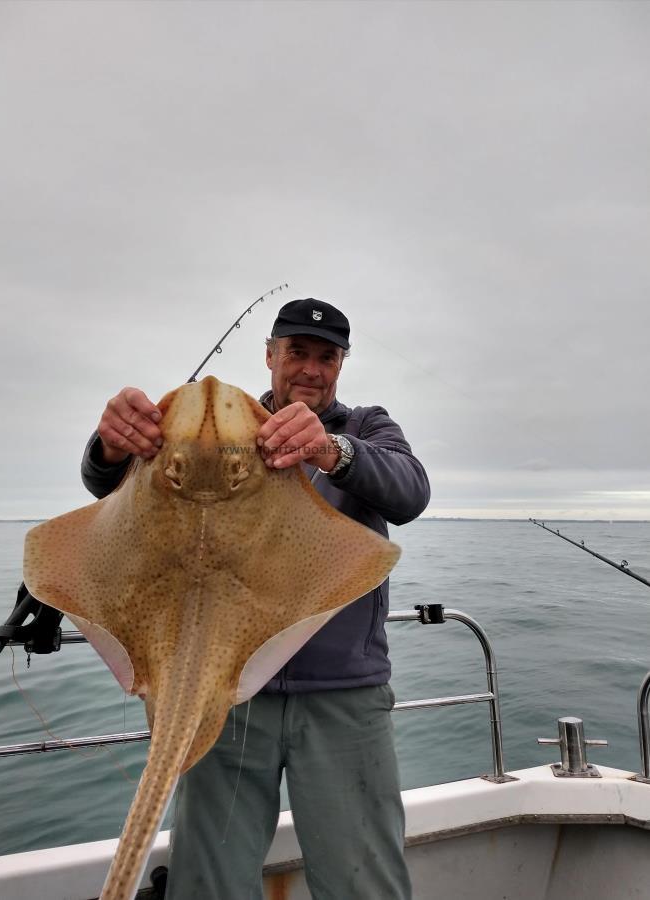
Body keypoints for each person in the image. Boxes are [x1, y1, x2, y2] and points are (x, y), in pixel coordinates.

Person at [81, 298, 430, 899]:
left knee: (362, 879)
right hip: (227, 688)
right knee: (207, 879)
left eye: (327, 357)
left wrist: (331, 450)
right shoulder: (215, 432)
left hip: (342, 695)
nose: (311, 369)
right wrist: (111, 444)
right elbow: (110, 486)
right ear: (270, 355)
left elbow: (409, 490)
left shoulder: (365, 426)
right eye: (297, 352)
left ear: (342, 365)